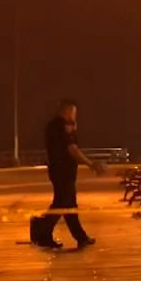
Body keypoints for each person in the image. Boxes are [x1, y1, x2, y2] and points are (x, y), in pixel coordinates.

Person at [31, 99, 104, 250]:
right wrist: (91, 164)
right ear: (66, 111)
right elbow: (72, 149)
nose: (75, 116)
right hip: (63, 172)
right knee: (63, 205)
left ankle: (78, 237)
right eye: (73, 112)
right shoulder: (63, 127)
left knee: (67, 205)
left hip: (58, 171)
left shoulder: (53, 126)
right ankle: (39, 227)